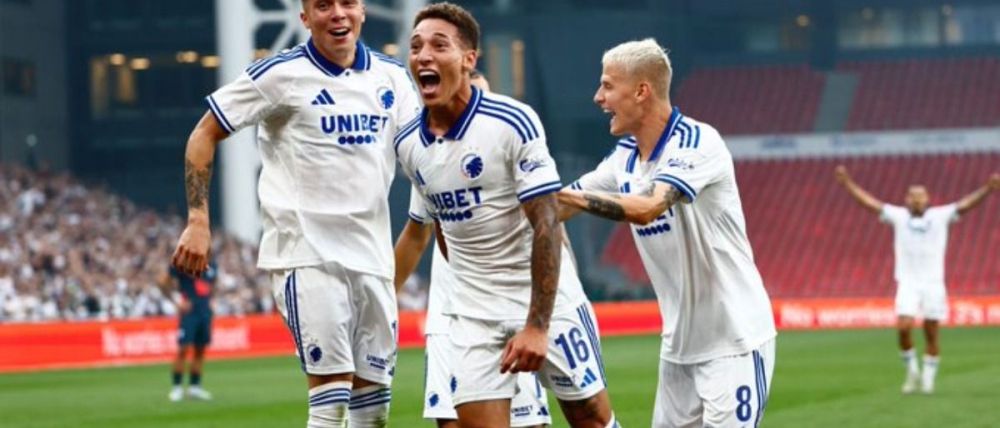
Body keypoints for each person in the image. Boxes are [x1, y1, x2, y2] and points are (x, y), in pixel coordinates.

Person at [170, 0, 420, 425]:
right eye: (323, 5)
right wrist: (197, 220)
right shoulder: (279, 74)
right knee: (331, 400)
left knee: (374, 411)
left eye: (348, 2)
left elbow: (420, 153)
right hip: (308, 256)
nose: (338, 13)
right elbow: (203, 133)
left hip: (374, 258)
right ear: (304, 18)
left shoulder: (392, 77)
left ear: (362, 10)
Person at [396, 3, 618, 427]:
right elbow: (441, 228)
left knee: (590, 417)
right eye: (416, 46)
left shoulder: (512, 121)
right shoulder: (408, 143)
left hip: (543, 303)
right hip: (473, 315)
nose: (423, 55)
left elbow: (546, 221)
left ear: (468, 59)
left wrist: (537, 326)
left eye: (439, 45)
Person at [557, 38, 776, 427]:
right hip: (679, 347)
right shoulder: (624, 157)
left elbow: (649, 208)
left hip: (735, 342)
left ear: (642, 91)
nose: (598, 97)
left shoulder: (696, 142)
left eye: (607, 86)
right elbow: (559, 205)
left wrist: (558, 197)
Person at [393, 70, 552, 428]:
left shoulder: (511, 150)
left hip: (512, 307)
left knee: (530, 423)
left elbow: (548, 224)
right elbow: (416, 236)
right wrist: (383, 301)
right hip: (451, 316)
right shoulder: (428, 161)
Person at [835, 166, 999, 394]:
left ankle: (928, 378)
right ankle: (912, 371)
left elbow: (965, 205)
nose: (917, 200)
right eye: (913, 196)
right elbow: (870, 204)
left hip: (933, 283)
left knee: (931, 332)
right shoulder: (899, 216)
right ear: (906, 200)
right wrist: (847, 184)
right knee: (903, 327)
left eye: (921, 196)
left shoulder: (939, 216)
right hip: (908, 282)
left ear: (928, 199)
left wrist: (987, 189)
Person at [160, 262, 217, 402]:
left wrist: (211, 300)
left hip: (205, 312)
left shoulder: (212, 264)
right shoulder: (183, 261)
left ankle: (194, 387)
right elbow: (162, 282)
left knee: (200, 350)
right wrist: (176, 302)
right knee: (183, 349)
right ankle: (177, 388)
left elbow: (213, 283)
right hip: (189, 313)